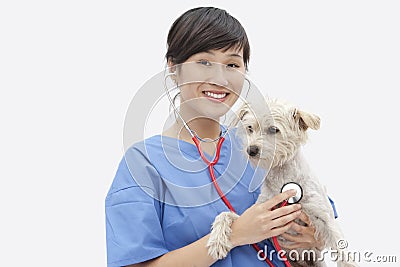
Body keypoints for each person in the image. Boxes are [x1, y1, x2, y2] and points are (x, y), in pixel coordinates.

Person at [105, 7, 332, 267]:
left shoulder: (263, 145)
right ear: (173, 67)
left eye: (232, 64)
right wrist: (234, 235)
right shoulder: (143, 164)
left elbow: (317, 211)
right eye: (204, 62)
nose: (219, 78)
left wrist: (315, 236)